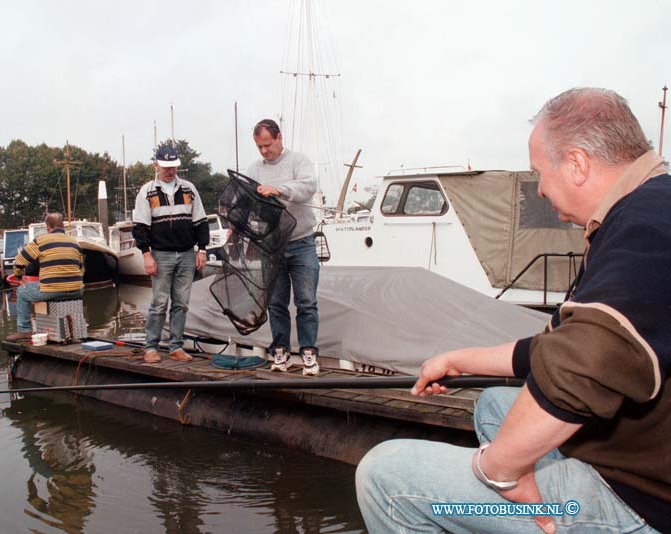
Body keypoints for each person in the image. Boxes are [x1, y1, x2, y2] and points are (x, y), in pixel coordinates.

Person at [355, 88, 670, 533]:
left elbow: (585, 360)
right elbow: (555, 346)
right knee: (493, 406)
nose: (539, 188)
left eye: (540, 173)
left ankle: (548, 517)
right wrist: (459, 360)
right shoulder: (645, 205)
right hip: (638, 450)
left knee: (385, 475)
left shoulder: (646, 227)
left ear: (577, 164)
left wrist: (502, 470)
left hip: (640, 499)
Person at [247, 118, 321, 376]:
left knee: (306, 302)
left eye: (267, 145)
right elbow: (249, 205)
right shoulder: (254, 169)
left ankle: (309, 354)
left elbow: (309, 187)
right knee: (276, 303)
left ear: (279, 138)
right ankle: (281, 352)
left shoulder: (299, 161)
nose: (264, 151)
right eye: (259, 147)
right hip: (272, 246)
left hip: (302, 243)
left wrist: (278, 190)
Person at [132, 144, 208, 363]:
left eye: (173, 166)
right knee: (159, 303)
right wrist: (146, 255)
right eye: (165, 166)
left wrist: (201, 250)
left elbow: (200, 222)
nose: (169, 171)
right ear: (156, 165)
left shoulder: (189, 189)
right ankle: (151, 347)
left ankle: (176, 346)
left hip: (186, 253)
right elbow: (140, 226)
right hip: (161, 254)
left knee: (182, 303)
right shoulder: (147, 191)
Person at [6, 212, 84, 341]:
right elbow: (81, 269)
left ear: (48, 226)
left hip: (52, 290)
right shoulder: (75, 243)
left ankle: (24, 331)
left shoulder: (41, 241)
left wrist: (19, 277)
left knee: (21, 292)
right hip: (77, 291)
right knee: (50, 291)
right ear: (63, 225)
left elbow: (20, 261)